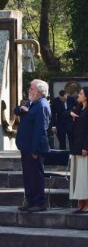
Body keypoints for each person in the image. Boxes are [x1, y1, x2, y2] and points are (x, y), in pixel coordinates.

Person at [15, 79, 51, 212]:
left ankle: (39, 202)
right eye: (30, 88)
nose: (29, 90)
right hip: (26, 147)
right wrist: (21, 109)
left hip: (34, 148)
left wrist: (35, 149)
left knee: (36, 175)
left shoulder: (42, 105)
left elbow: (40, 129)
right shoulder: (32, 103)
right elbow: (16, 110)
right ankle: (30, 200)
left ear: (40, 92)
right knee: (28, 175)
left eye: (32, 89)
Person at [69, 87, 88, 213]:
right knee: (78, 175)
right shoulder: (80, 108)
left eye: (81, 94)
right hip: (76, 145)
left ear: (87, 96)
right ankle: (80, 201)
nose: (78, 95)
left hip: (85, 147)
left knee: (85, 175)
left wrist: (86, 147)